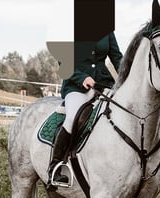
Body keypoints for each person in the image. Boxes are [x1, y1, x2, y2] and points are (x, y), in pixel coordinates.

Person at [48, 32, 123, 188]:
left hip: (104, 83)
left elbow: (116, 57)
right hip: (76, 86)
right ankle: (55, 167)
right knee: (72, 117)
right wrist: (81, 77)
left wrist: (127, 77)